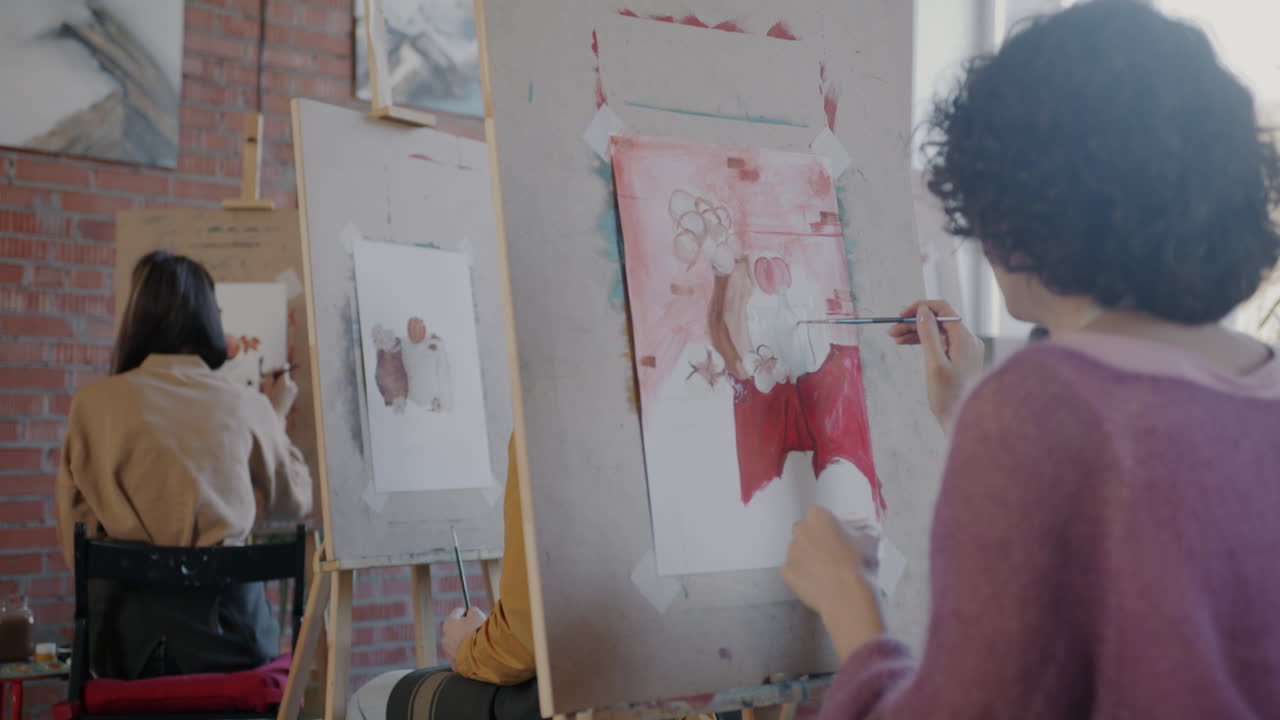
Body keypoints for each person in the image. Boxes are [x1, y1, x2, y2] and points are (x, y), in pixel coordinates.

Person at [781, 1, 1280, 718]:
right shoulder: (1261, 386)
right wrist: (966, 413)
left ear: (1019, 200)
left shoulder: (1036, 407)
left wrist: (849, 605)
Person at [55, 250, 312, 680]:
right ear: (210, 319)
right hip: (235, 640)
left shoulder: (92, 405)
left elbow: (74, 543)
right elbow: (295, 503)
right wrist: (276, 417)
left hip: (122, 647)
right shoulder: (248, 405)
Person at [351, 434, 718, 720]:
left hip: (595, 702)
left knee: (369, 699)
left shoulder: (551, 414)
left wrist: (468, 646)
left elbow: (522, 643)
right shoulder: (702, 405)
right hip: (693, 700)